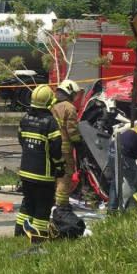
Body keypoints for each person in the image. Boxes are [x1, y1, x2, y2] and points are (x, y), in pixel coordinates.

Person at [15, 84, 64, 243]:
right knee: (43, 207)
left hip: (26, 171)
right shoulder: (50, 123)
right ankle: (38, 240)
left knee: (27, 204)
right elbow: (56, 148)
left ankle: (20, 235)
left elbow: (21, 140)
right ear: (49, 102)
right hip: (43, 174)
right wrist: (59, 166)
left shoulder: (25, 119)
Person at [51, 79, 82, 211]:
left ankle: (52, 201)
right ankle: (62, 205)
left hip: (51, 147)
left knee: (53, 174)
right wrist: (78, 143)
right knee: (65, 176)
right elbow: (72, 130)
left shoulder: (51, 106)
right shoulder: (69, 108)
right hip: (64, 149)